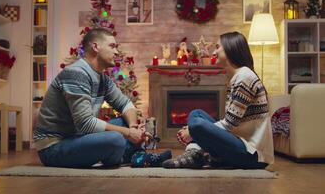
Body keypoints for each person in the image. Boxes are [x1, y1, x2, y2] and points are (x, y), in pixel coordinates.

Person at [34, 28, 171, 168]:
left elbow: (126, 104)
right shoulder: (76, 73)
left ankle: (135, 156)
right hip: (54, 147)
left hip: (78, 137)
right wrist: (128, 133)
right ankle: (130, 156)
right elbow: (85, 123)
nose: (116, 52)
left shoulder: (102, 78)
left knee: (125, 121)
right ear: (95, 47)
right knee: (115, 138)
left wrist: (133, 127)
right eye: (112, 46)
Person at [162, 32, 274, 169]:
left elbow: (229, 124)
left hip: (252, 155)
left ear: (230, 48)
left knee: (197, 125)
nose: (214, 52)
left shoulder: (245, 77)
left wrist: (192, 132)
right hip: (241, 144)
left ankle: (195, 154)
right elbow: (230, 126)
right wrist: (194, 132)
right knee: (196, 114)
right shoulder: (238, 76)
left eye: (217, 47)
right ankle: (195, 153)